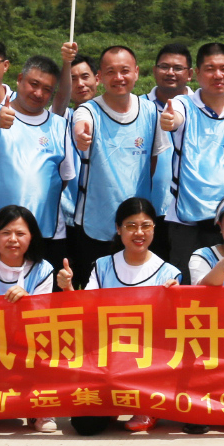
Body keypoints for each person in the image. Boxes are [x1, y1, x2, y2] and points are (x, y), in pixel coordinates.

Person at [73, 197, 180, 437]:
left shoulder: (169, 273)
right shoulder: (102, 266)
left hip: (147, 359)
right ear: (118, 229)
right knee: (85, 425)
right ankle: (113, 402)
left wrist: (174, 298)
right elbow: (85, 310)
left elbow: (171, 330)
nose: (139, 233)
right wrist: (69, 289)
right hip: (106, 358)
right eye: (131, 226)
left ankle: (148, 406)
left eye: (146, 226)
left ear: (155, 229)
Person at [69, 46, 163, 284]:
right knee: (94, 290)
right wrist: (81, 134)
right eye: (111, 72)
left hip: (137, 225)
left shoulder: (151, 111)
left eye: (125, 71)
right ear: (100, 77)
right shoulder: (89, 110)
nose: (119, 77)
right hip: (95, 223)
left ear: (137, 72)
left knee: (134, 290)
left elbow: (152, 162)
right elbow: (81, 123)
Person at [0, 53, 75, 261]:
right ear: (19, 79)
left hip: (47, 232)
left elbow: (64, 178)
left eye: (47, 89)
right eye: (34, 84)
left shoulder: (60, 125)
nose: (38, 93)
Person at [162, 43, 224, 270]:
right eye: (210, 69)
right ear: (197, 73)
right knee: (188, 285)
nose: (218, 75)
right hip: (187, 222)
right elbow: (175, 118)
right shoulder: (183, 104)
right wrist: (170, 120)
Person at [142, 42, 193, 227]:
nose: (170, 72)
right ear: (154, 71)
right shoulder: (138, 108)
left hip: (189, 211)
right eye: (164, 67)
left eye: (178, 68)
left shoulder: (201, 108)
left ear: (190, 74)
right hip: (146, 210)